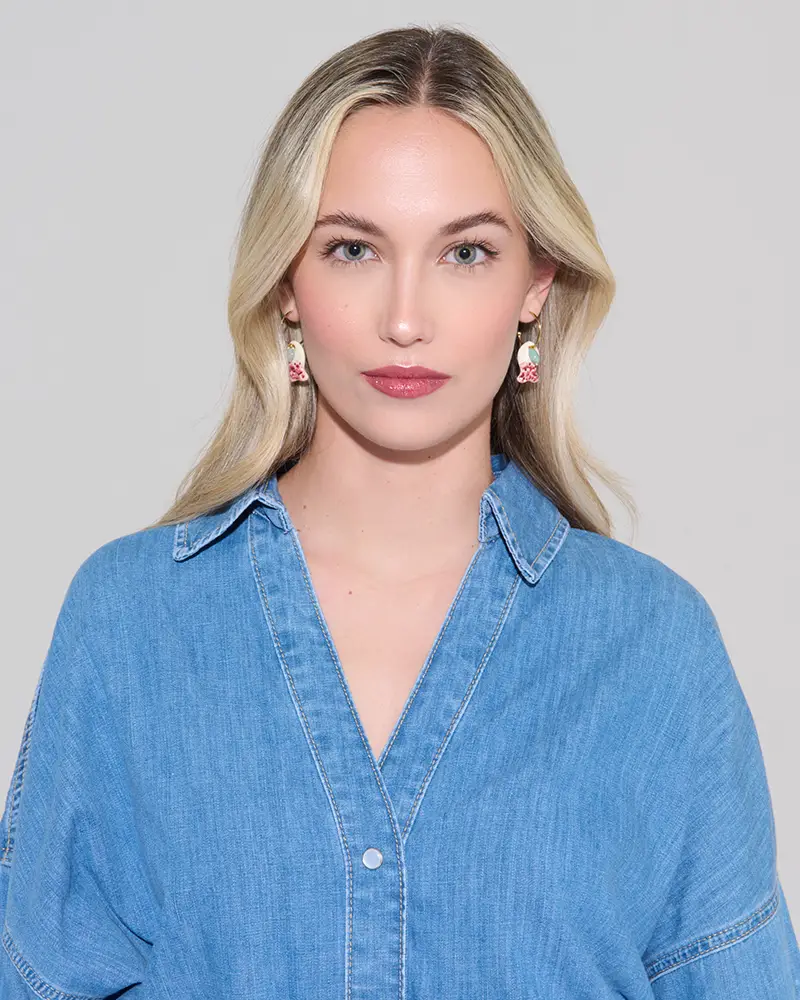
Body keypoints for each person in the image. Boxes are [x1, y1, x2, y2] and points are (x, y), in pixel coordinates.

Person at [1, 23, 798, 1000]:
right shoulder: (131, 626)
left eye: (465, 252)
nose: (405, 319)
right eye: (352, 249)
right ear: (286, 283)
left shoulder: (652, 650)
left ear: (535, 284)